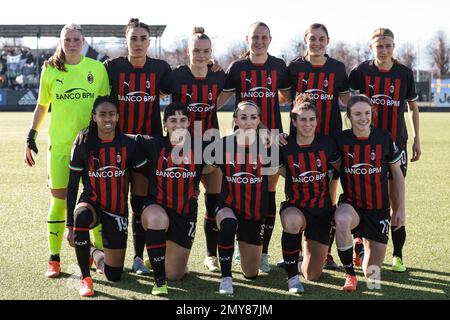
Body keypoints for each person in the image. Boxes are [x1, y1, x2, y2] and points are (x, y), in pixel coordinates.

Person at [24, 23, 109, 278]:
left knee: (98, 200)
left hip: (92, 147)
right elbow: (41, 105)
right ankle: (54, 259)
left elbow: (105, 107)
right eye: (67, 39)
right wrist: (31, 134)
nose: (71, 43)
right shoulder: (50, 69)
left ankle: (101, 256)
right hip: (60, 147)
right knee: (59, 201)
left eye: (76, 39)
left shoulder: (96, 69)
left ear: (83, 41)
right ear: (61, 42)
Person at [217, 21, 291, 273]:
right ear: (246, 39)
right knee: (238, 188)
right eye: (254, 37)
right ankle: (241, 243)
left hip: (271, 138)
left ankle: (264, 252)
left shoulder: (279, 65)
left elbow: (288, 96)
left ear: (270, 39)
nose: (259, 41)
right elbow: (220, 98)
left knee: (267, 195)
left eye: (263, 37)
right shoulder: (237, 67)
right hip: (242, 139)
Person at [348, 28, 420, 272]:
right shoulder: (360, 72)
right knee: (362, 195)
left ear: (393, 47)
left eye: (388, 45)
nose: (384, 50)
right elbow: (351, 107)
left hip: (396, 144)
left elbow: (412, 107)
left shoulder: (404, 73)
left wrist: (416, 139)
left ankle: (397, 255)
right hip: (366, 145)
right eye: (380, 46)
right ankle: (360, 244)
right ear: (371, 47)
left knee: (396, 199)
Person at [104, 18, 171, 275]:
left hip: (147, 147)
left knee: (140, 202)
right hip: (118, 146)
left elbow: (189, 76)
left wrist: (211, 65)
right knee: (116, 202)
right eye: (134, 38)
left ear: (149, 41)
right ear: (127, 41)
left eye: (143, 38)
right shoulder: (111, 67)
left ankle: (137, 257)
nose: (139, 43)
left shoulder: (160, 68)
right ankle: (109, 252)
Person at [282, 23, 350, 270]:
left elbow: (345, 98)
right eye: (313, 38)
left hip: (327, 141)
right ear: (305, 40)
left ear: (328, 40)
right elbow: (284, 96)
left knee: (327, 196)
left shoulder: (337, 68)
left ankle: (326, 251)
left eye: (322, 38)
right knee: (295, 190)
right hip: (298, 142)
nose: (317, 42)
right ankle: (294, 251)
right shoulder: (295, 67)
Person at [66, 96, 147, 297]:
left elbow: (144, 175)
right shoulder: (83, 141)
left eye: (111, 114)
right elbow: (73, 185)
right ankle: (86, 278)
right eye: (102, 114)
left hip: (116, 209)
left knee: (114, 275)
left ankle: (94, 253)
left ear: (118, 117)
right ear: (94, 117)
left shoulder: (128, 144)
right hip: (91, 202)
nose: (107, 119)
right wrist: (70, 225)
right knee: (80, 217)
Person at [160, 27, 225, 273]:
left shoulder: (218, 76)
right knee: (179, 202)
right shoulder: (175, 75)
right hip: (180, 149)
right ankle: (169, 253)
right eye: (196, 51)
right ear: (188, 52)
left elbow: (223, 96)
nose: (201, 55)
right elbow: (157, 92)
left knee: (213, 201)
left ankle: (211, 255)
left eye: (206, 51)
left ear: (211, 53)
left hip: (210, 144)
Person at [135, 102, 213, 296]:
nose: (178, 124)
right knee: (156, 220)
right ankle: (159, 281)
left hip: (184, 211)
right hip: (156, 206)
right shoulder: (154, 143)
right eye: (172, 120)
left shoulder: (201, 146)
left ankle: (158, 258)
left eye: (183, 120)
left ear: (188, 123)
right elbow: (123, 139)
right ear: (165, 124)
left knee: (176, 275)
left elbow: (221, 159)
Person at [334, 94, 405, 292]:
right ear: (349, 116)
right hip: (353, 205)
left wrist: (400, 209)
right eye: (357, 114)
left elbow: (397, 175)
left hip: (379, 209)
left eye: (366, 113)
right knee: (341, 220)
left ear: (372, 114)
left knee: (372, 275)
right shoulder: (340, 139)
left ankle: (359, 246)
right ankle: (349, 275)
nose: (363, 118)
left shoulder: (383, 138)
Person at [213, 100, 277, 295]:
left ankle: (242, 249)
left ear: (259, 120)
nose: (248, 121)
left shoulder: (268, 146)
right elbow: (205, 169)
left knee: (251, 274)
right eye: (243, 117)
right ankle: (225, 278)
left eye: (253, 117)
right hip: (229, 206)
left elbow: (276, 170)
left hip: (254, 211)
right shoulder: (223, 144)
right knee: (228, 223)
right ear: (235, 120)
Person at [278, 95, 340, 293]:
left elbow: (342, 169)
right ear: (294, 122)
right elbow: (275, 169)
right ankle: (292, 278)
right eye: (302, 119)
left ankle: (302, 259)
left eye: (311, 119)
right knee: (292, 222)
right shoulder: (284, 145)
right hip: (296, 205)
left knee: (312, 275)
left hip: (321, 210)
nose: (307, 124)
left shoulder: (327, 143)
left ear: (317, 121)